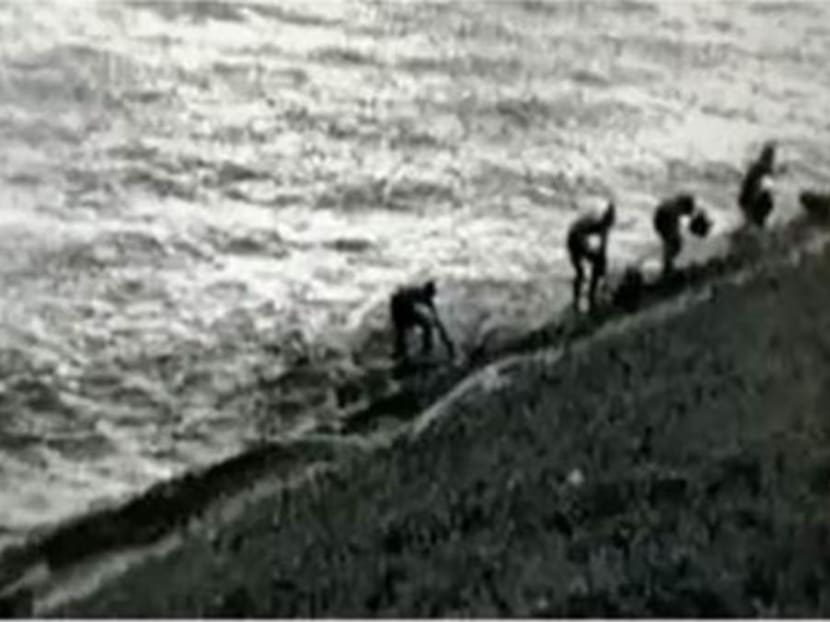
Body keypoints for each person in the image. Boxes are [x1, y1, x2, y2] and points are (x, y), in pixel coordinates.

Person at [566, 201, 616, 312]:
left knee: (584, 270)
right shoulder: (603, 225)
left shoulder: (601, 223)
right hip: (575, 237)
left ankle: (583, 299)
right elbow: (602, 252)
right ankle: (588, 299)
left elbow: (602, 251)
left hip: (575, 236)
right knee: (586, 270)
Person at [389, 280, 454, 363]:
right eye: (431, 294)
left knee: (421, 326)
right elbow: (437, 323)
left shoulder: (423, 296)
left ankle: (405, 351)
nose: (431, 297)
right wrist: (447, 343)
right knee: (422, 326)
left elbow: (437, 322)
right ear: (428, 291)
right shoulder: (419, 293)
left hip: (400, 308)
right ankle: (412, 351)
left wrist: (447, 342)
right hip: (399, 308)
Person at [653, 193, 711, 277]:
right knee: (674, 243)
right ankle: (667, 268)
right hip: (665, 216)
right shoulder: (675, 209)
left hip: (662, 216)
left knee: (672, 243)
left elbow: (694, 214)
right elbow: (692, 215)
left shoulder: (677, 206)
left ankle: (668, 266)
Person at [738, 142, 777, 228]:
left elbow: (746, 183)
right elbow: (764, 191)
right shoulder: (766, 170)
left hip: (745, 199)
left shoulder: (755, 167)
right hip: (755, 203)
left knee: (747, 223)